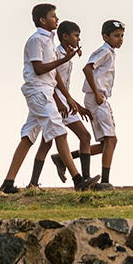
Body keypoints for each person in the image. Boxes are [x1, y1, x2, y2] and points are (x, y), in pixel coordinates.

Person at [0, 4, 100, 193]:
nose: (57, 19)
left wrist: (68, 96)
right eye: (53, 16)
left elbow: (55, 75)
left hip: (43, 91)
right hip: (39, 91)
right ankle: (78, 180)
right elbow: (38, 69)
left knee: (28, 137)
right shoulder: (37, 40)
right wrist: (64, 59)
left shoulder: (49, 42)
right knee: (59, 133)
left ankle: (8, 183)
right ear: (42, 21)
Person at [27, 21, 104, 190]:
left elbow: (63, 87)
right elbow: (51, 81)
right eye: (76, 35)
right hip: (55, 103)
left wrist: (75, 103)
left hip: (64, 103)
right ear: (65, 37)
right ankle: (34, 183)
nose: (78, 39)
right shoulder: (56, 54)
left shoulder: (68, 56)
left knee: (84, 137)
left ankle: (85, 179)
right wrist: (61, 102)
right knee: (47, 142)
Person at [79, 20, 124, 190]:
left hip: (101, 98)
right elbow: (87, 69)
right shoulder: (104, 51)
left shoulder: (110, 52)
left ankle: (67, 157)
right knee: (111, 139)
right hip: (97, 98)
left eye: (122, 36)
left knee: (108, 143)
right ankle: (105, 182)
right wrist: (97, 94)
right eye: (116, 36)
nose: (120, 39)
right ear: (106, 37)